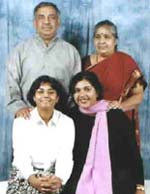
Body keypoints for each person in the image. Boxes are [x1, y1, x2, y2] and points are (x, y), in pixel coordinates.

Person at [62, 71, 145, 194]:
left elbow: (132, 152)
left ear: (97, 92)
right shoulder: (70, 118)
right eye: (77, 90)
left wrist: (140, 186)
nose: (82, 94)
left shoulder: (116, 115)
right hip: (80, 176)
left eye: (87, 89)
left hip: (117, 176)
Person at [6, 1, 81, 118]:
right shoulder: (20, 50)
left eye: (52, 17)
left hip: (61, 116)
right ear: (35, 22)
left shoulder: (71, 51)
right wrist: (19, 107)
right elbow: (11, 84)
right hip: (27, 115)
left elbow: (77, 87)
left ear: (58, 22)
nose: (46, 22)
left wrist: (66, 112)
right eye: (41, 17)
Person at [82, 20, 147, 146]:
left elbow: (138, 96)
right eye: (97, 37)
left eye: (107, 37)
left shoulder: (125, 62)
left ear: (115, 40)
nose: (101, 41)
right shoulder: (84, 63)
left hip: (118, 122)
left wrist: (120, 106)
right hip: (89, 122)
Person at [6, 75, 75, 194]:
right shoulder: (21, 122)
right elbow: (20, 155)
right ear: (34, 97)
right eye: (40, 92)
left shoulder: (67, 122)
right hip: (25, 174)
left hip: (54, 175)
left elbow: (66, 156)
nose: (46, 95)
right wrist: (31, 178)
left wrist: (59, 179)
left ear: (57, 98)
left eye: (51, 92)